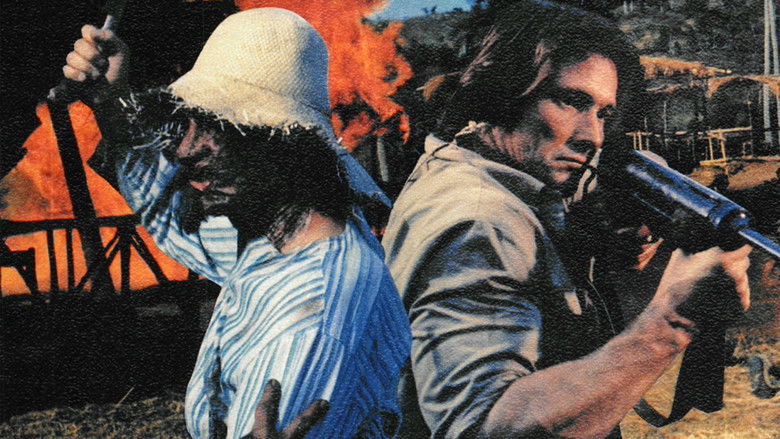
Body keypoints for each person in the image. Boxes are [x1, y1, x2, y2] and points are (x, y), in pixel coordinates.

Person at [381, 2, 751, 438]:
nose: (592, 137)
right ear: (503, 94)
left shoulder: (460, 160)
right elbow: (483, 425)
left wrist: (597, 233)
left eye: (603, 114)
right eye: (572, 102)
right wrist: (672, 321)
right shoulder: (481, 222)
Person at [62, 8, 410, 439]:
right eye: (191, 121)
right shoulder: (275, 238)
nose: (185, 149)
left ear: (282, 144)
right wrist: (110, 100)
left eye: (220, 126)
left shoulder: (309, 316)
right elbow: (168, 215)